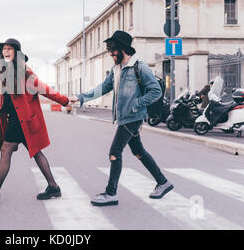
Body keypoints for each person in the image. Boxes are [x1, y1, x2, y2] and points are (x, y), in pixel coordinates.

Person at [70, 31, 174, 206]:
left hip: (132, 117)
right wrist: (81, 98)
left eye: (113, 50)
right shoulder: (116, 69)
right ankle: (163, 182)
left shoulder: (139, 67)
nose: (110, 54)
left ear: (123, 49)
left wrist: (137, 104)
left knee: (114, 153)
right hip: (125, 117)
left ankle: (111, 193)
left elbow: (155, 90)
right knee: (138, 151)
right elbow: (103, 88)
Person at [0, 38, 70, 204]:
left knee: (6, 150)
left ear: (16, 53)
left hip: (21, 121)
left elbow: (45, 89)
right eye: (4, 49)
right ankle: (53, 187)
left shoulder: (25, 74)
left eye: (10, 49)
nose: (6, 51)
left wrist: (65, 101)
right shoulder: (6, 73)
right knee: (36, 152)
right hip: (18, 120)